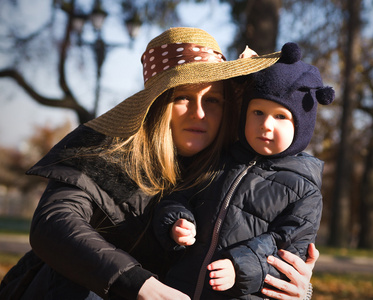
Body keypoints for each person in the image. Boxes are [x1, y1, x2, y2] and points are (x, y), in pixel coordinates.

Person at [0, 28, 317, 300]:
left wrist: (294, 287)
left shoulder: (234, 172)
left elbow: (264, 244)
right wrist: (142, 285)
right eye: (183, 98)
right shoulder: (108, 154)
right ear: (156, 104)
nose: (199, 113)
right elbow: (53, 223)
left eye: (212, 101)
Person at [153, 42, 334, 299]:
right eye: (258, 112)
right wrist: (176, 220)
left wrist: (242, 266)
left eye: (281, 117)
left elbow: (290, 247)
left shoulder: (304, 189)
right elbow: (179, 195)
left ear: (302, 126)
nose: (266, 125)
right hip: (181, 287)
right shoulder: (218, 159)